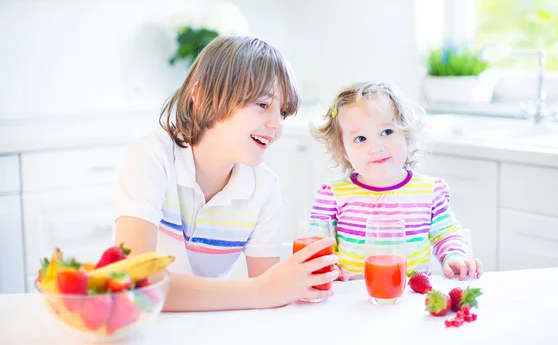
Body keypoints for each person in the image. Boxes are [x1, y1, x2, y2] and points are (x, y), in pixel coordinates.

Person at [113, 35, 338, 311]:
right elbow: (136, 284)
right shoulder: (152, 157)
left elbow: (270, 295)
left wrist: (297, 285)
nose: (275, 124)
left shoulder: (263, 187)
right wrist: (262, 290)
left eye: (283, 112)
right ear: (201, 96)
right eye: (263, 105)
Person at [309, 81, 482, 281]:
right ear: (343, 151)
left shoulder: (429, 191)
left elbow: (447, 234)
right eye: (360, 139)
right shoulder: (331, 195)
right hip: (350, 299)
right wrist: (330, 268)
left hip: (410, 297)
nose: (376, 147)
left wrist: (454, 257)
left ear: (407, 135)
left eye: (387, 132)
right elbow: (318, 247)